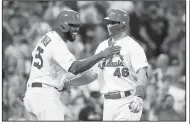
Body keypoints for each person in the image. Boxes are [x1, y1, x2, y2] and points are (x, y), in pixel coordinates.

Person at [23, 10, 121, 121]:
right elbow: (75, 68)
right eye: (73, 25)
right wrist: (100, 55)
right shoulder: (57, 42)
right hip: (45, 96)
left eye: (78, 25)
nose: (77, 29)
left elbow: (35, 58)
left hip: (33, 94)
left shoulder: (48, 37)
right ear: (63, 25)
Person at [64, 9, 149, 121]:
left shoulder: (133, 47)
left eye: (113, 22)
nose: (109, 25)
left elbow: (142, 73)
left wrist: (139, 96)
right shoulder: (103, 46)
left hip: (127, 100)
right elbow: (92, 74)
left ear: (123, 24)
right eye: (108, 22)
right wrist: (70, 83)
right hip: (108, 103)